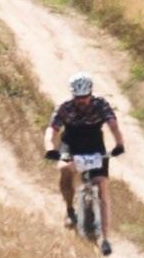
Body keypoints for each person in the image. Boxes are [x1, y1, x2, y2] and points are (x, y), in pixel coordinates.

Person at [45, 73, 126, 238]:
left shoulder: (101, 104)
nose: (82, 101)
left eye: (86, 97)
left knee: (101, 183)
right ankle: (69, 209)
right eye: (78, 97)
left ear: (91, 93)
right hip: (72, 143)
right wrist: (50, 148)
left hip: (94, 143)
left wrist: (119, 144)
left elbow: (113, 125)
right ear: (73, 95)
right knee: (65, 169)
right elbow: (52, 130)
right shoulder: (64, 107)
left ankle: (102, 225)